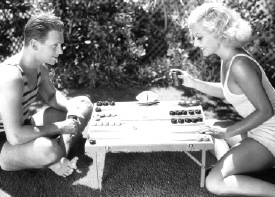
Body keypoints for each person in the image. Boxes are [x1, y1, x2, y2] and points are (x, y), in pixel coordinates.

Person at [171, 3, 275, 196]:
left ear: (218, 32)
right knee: (209, 127)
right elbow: (230, 91)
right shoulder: (228, 58)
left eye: (199, 37)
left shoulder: (239, 65)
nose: (195, 43)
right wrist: (193, 82)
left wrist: (227, 131)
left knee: (214, 182)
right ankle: (232, 164)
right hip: (255, 130)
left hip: (270, 137)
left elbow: (266, 111)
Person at [0, 11, 93, 177]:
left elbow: (51, 96)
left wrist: (71, 109)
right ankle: (54, 156)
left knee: (83, 104)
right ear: (35, 45)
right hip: (5, 143)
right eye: (55, 45)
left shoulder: (40, 69)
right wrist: (59, 127)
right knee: (47, 149)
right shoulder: (12, 76)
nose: (61, 51)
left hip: (24, 126)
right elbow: (14, 136)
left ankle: (59, 157)